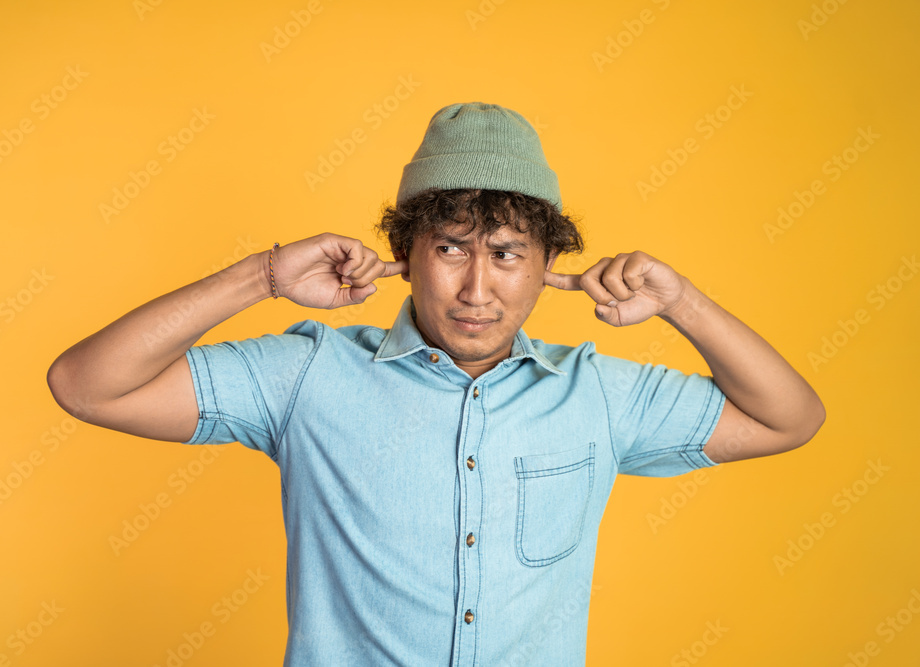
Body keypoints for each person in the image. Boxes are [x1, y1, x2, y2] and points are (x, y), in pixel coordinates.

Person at [47, 102, 825, 665]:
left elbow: (791, 416)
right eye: (452, 247)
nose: (477, 288)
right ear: (403, 253)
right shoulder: (307, 373)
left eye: (509, 253)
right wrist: (263, 277)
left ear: (548, 266)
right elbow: (86, 384)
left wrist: (680, 300)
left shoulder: (596, 394)